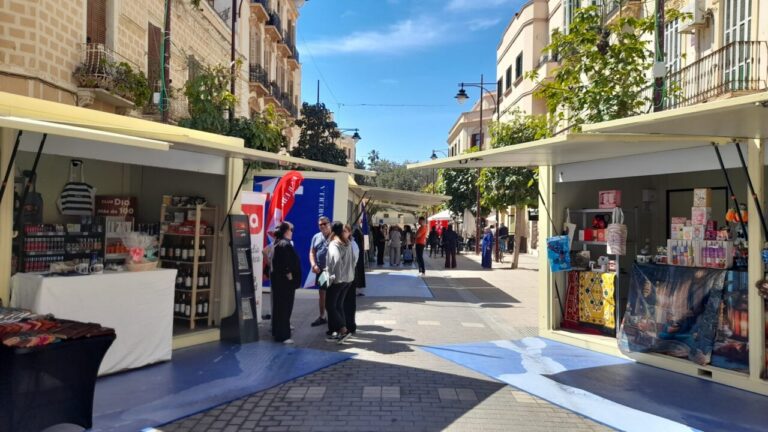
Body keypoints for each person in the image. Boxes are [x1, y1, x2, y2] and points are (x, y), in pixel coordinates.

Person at [325, 221, 358, 344]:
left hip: (338, 280)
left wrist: (335, 277)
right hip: (348, 279)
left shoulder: (335, 244)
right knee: (338, 305)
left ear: (332, 230)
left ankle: (343, 330)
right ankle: (340, 332)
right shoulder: (348, 243)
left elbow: (336, 260)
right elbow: (354, 259)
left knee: (330, 306)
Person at [270, 222, 302, 344]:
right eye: (291, 229)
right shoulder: (283, 244)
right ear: (286, 231)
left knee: (280, 307)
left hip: (281, 283)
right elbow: (285, 264)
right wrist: (289, 276)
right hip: (284, 284)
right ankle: (283, 335)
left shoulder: (280, 243)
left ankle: (278, 331)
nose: (293, 232)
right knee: (284, 308)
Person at [309, 216, 332, 327]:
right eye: (320, 224)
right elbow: (312, 252)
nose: (322, 226)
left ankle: (335, 317)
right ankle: (322, 316)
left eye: (324, 224)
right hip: (322, 271)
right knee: (322, 293)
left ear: (329, 224)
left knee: (334, 294)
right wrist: (313, 264)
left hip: (333, 271)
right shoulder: (316, 237)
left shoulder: (335, 237)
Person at [346, 224, 364, 333]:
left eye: (345, 231)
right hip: (343, 277)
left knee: (349, 302)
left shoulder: (352, 244)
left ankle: (350, 326)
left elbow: (353, 261)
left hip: (349, 276)